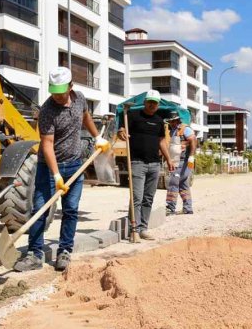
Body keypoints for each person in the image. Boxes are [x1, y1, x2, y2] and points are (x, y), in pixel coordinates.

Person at [13, 67, 110, 272]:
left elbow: (85, 117)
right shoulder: (47, 110)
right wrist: (56, 174)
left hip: (75, 164)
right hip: (49, 167)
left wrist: (96, 137)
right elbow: (46, 144)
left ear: (71, 87)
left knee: (71, 210)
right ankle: (34, 254)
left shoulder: (80, 99)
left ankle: (65, 251)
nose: (56, 96)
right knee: (41, 209)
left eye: (60, 92)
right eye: (53, 92)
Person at [117, 90, 173, 240]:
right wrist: (121, 132)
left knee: (148, 197)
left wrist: (168, 159)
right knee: (136, 197)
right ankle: (133, 229)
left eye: (155, 103)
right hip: (137, 163)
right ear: (145, 102)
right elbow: (122, 130)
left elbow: (161, 141)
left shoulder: (159, 120)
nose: (152, 105)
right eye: (150, 102)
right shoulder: (133, 116)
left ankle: (143, 228)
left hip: (154, 164)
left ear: (158, 104)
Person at [165, 111, 198, 215]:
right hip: (176, 160)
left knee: (173, 182)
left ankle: (170, 207)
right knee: (183, 184)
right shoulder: (173, 131)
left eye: (173, 121)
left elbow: (193, 140)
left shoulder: (185, 129)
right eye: (170, 121)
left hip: (184, 160)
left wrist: (191, 157)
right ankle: (188, 208)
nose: (171, 123)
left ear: (177, 120)